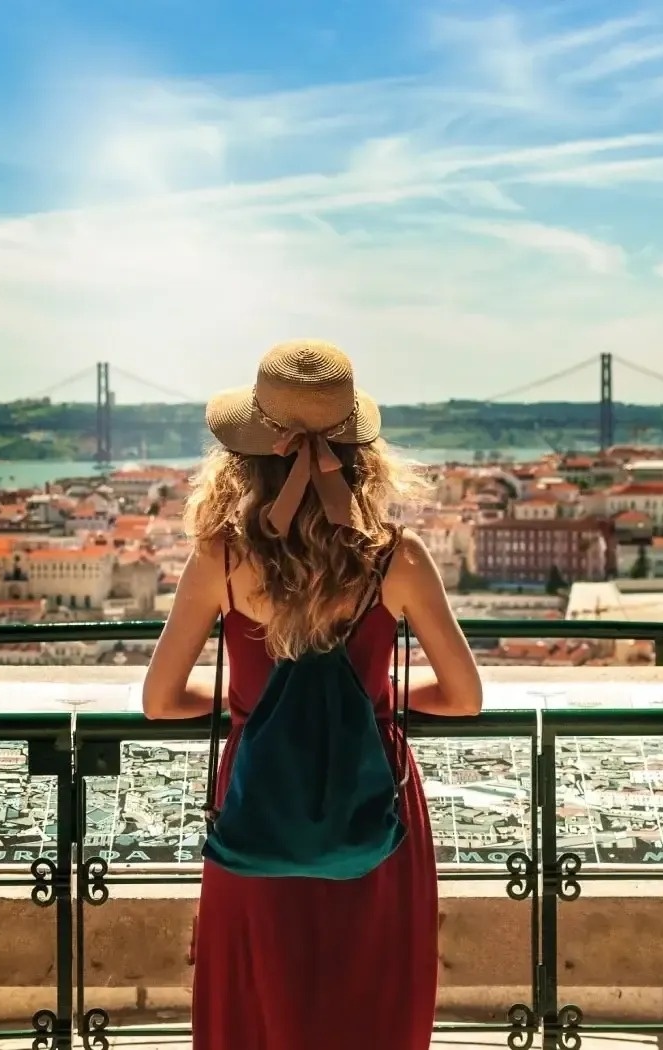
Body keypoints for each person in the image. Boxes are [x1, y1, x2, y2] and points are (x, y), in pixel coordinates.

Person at [142, 340, 484, 1050]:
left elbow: (161, 698)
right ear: (361, 451)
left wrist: (253, 706)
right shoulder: (399, 559)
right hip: (374, 807)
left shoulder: (221, 558)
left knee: (259, 1005)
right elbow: (463, 696)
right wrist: (373, 706)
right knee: (371, 1005)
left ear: (245, 455)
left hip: (257, 808)